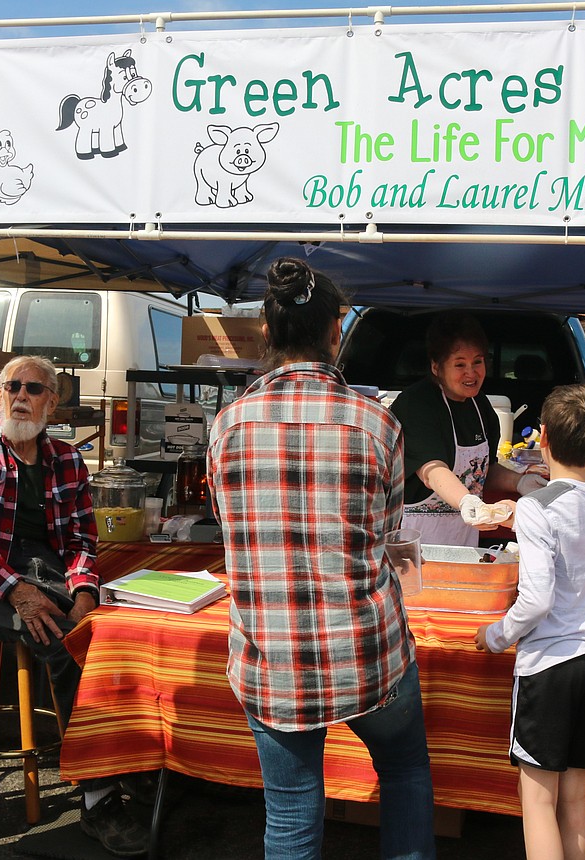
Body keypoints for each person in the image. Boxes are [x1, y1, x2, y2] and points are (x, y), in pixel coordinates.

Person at [207, 257, 435, 860]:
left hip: (270, 655)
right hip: (366, 648)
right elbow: (386, 530)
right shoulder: (376, 423)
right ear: (336, 332)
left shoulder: (228, 426)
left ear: (266, 332)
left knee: (290, 812)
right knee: (405, 771)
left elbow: (228, 527)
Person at [0, 355, 148, 858]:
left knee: (118, 639)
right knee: (66, 649)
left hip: (54, 578)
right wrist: (16, 589)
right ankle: (99, 796)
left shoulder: (66, 458)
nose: (20, 395)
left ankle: (131, 760)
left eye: (33, 388)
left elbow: (83, 538)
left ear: (52, 401)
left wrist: (85, 593)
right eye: (11, 386)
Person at [474, 384, 585, 860]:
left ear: (541, 438)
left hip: (550, 665)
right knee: (576, 795)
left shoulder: (539, 508)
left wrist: (495, 636)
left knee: (538, 800)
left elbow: (536, 599)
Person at [390, 310, 548, 546]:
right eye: (459, 364)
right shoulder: (416, 404)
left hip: (464, 535)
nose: (471, 373)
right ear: (436, 367)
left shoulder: (480, 405)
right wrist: (467, 502)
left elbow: (484, 472)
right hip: (416, 537)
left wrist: (519, 482)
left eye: (478, 361)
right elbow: (432, 471)